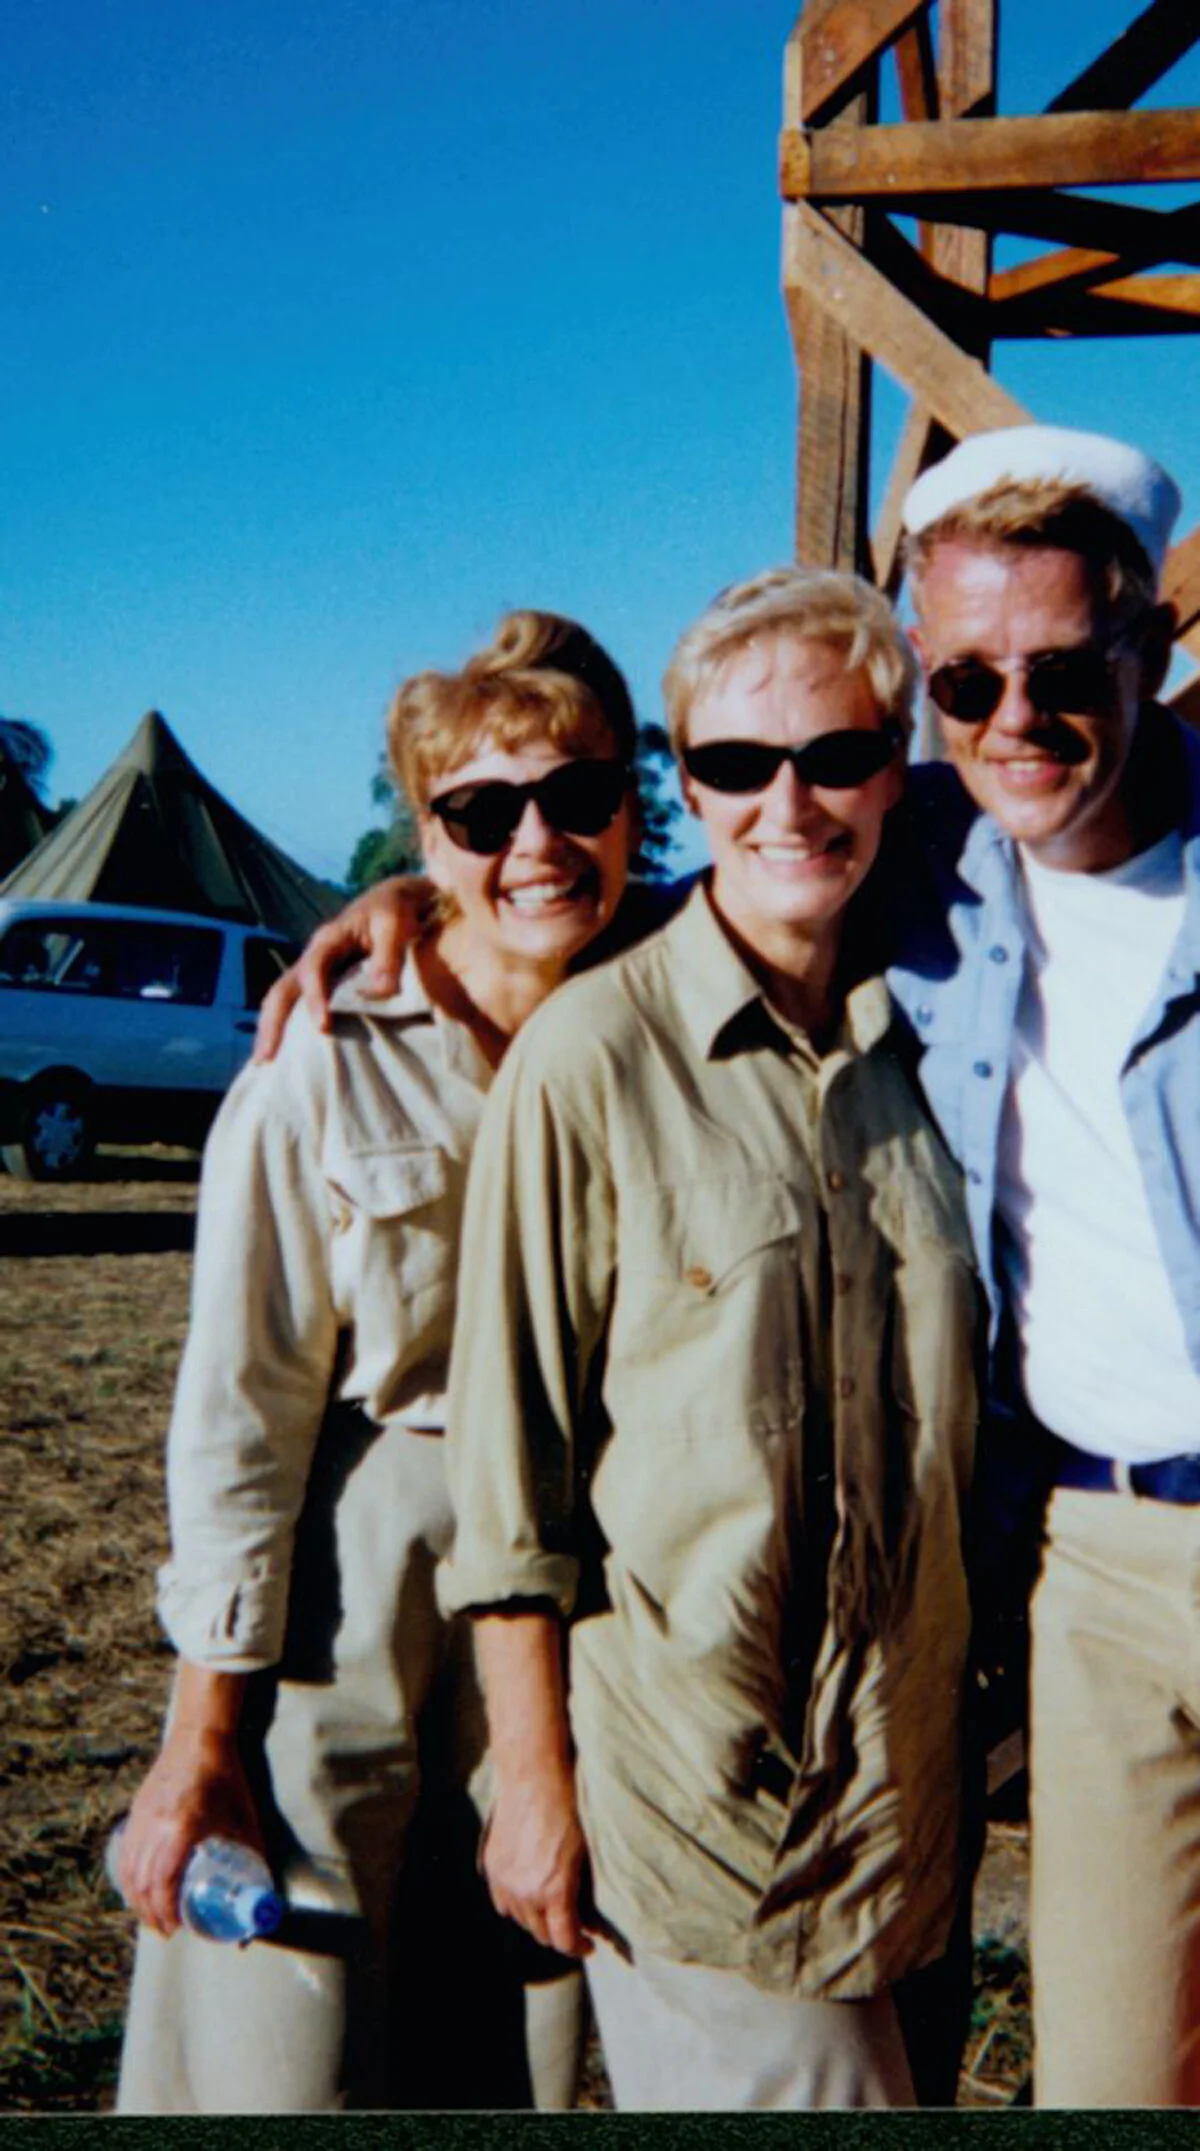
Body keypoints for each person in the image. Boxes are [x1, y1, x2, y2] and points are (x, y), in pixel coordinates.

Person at [435, 568, 979, 2110]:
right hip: (692, 1793)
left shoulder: (939, 1036)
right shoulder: (590, 1059)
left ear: (899, 770)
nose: (788, 803)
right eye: (738, 765)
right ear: (685, 785)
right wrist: (534, 1781)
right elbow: (512, 1476)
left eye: (837, 758)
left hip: (904, 1806)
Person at [112, 608, 641, 2113]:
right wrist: (201, 1733)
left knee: (517, 1978)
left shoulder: (668, 1001)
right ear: (426, 828)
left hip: (588, 1564)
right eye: (481, 812)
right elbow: (242, 1407)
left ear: (633, 803)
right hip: (367, 1559)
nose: (538, 842)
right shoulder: (324, 1058)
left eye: (580, 796)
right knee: (294, 1979)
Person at [891, 424, 1200, 2109]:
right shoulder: (914, 863)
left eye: (1067, 669)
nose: (1015, 723)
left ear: (1151, 651)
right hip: (1088, 1569)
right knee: (1109, 2073)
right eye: (964, 682)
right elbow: (664, 904)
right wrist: (404, 916)